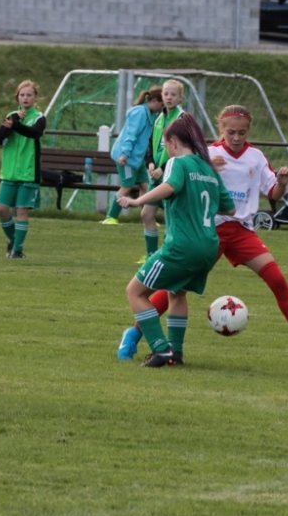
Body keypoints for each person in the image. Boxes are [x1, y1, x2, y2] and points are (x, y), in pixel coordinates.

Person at [117, 104, 288, 361]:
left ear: (248, 130)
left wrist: (283, 184)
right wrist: (208, 167)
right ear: (221, 129)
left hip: (242, 231)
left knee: (277, 280)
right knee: (175, 287)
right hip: (211, 231)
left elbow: (273, 193)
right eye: (231, 132)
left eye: (242, 133)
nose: (236, 138)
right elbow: (181, 179)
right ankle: (135, 334)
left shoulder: (256, 157)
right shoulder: (207, 154)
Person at [116, 114, 235, 368]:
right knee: (176, 292)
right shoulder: (208, 169)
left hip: (183, 246)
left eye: (164, 145)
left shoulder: (177, 162)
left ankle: (161, 349)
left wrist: (138, 200)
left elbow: (170, 186)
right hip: (208, 246)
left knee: (135, 292)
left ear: (172, 142)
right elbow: (230, 208)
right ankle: (176, 353)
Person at [0, 80, 45, 259]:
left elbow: (34, 133)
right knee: (1, 208)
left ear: (35, 97)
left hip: (28, 172)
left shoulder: (39, 118)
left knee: (22, 210)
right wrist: (10, 124)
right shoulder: (11, 116)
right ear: (17, 97)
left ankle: (17, 250)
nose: (25, 98)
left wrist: (15, 125)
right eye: (22, 95)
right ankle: (14, 241)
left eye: (29, 95)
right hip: (9, 172)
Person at [100, 86, 164, 226]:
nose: (162, 108)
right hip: (128, 159)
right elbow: (131, 135)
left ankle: (148, 217)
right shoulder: (140, 113)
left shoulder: (150, 114)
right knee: (127, 186)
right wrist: (125, 154)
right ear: (155, 101)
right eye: (162, 104)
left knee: (146, 186)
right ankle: (111, 216)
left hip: (137, 159)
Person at [140, 79, 186, 262]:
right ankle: (151, 256)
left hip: (172, 175)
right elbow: (151, 144)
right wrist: (150, 163)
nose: (169, 97)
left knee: (170, 217)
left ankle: (168, 256)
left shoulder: (182, 119)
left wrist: (163, 168)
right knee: (146, 214)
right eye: (166, 94)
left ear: (180, 98)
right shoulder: (159, 118)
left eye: (173, 94)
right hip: (157, 175)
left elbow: (182, 150)